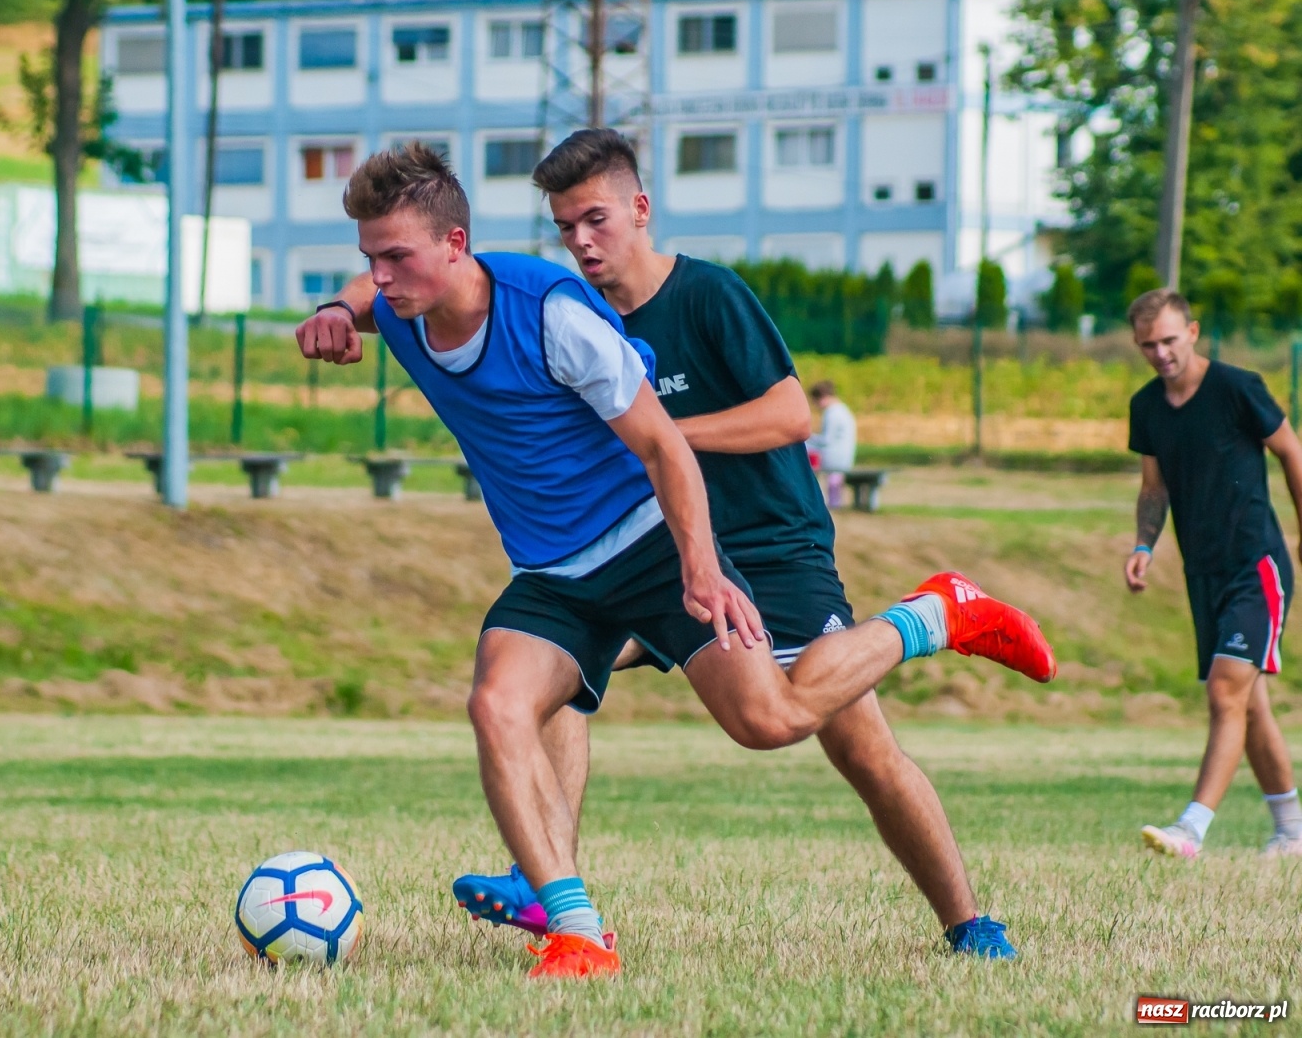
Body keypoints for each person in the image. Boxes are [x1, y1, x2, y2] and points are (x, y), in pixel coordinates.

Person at [297, 143, 1055, 979]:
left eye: (597, 219)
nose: (582, 240)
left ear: (639, 211)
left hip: (748, 541)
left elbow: (759, 421)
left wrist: (677, 512)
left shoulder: (654, 302)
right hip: (590, 561)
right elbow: (383, 281)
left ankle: (939, 629)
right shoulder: (500, 297)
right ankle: (564, 907)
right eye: (566, 225)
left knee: (818, 734)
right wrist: (339, 302)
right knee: (525, 696)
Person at [1125, 288, 1302, 860]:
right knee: (1248, 705)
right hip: (1203, 573)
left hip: (1257, 566)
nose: (1161, 354)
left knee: (1227, 690)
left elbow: (1291, 453)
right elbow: (1154, 488)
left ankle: (1191, 829)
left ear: (1193, 333)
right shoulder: (1147, 407)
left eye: (1170, 340)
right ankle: (1293, 831)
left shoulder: (1236, 388)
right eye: (1148, 345)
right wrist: (1143, 546)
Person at [809, 380, 857, 509]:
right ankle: (832, 502)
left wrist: (808, 438)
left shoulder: (832, 413)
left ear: (822, 397)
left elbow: (826, 440)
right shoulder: (842, 409)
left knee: (805, 451)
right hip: (844, 457)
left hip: (835, 458)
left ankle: (817, 502)